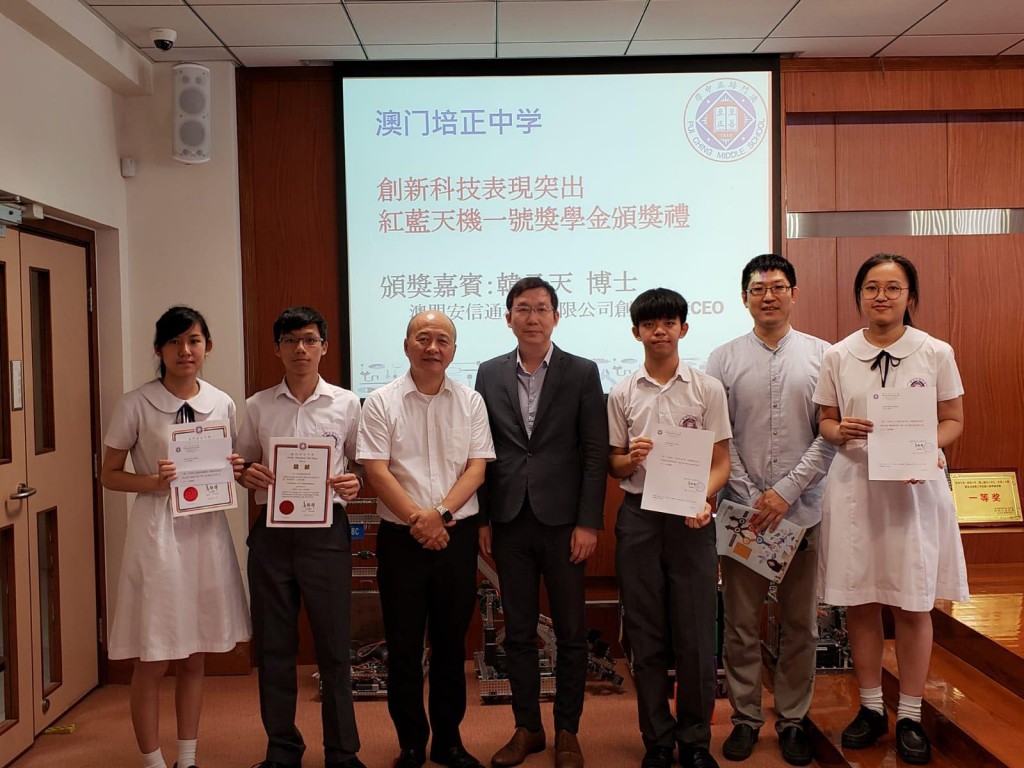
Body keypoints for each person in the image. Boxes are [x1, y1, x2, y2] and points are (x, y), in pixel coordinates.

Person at [813, 253, 968, 766]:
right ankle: (872, 707)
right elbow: (826, 422)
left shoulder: (935, 351)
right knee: (860, 600)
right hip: (856, 487)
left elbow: (953, 420)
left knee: (913, 603)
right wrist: (840, 430)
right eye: (872, 287)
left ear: (910, 296)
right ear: (859, 295)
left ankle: (911, 715)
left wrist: (925, 449)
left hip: (913, 490)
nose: (881, 296)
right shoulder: (838, 355)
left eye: (893, 287)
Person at [100, 306, 251, 768]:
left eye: (194, 341)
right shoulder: (136, 403)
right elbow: (108, 474)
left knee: (195, 653)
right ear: (159, 349)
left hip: (205, 530)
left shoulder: (222, 402)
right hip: (158, 534)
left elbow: (227, 465)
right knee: (153, 655)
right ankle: (153, 761)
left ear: (208, 346)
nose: (185, 351)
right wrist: (152, 482)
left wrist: (235, 469)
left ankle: (188, 758)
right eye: (174, 342)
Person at [705, 255, 834, 766]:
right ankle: (745, 718)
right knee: (740, 624)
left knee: (801, 624)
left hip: (803, 512)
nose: (769, 296)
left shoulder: (824, 356)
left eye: (778, 287)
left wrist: (784, 493)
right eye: (758, 289)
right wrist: (752, 494)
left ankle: (793, 719)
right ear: (744, 298)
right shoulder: (722, 359)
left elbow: (828, 436)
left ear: (794, 293)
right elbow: (720, 437)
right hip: (743, 515)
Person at [475, 277, 608, 768]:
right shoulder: (488, 373)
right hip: (509, 519)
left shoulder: (582, 371)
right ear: (508, 317)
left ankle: (567, 730)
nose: (532, 318)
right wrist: (484, 517)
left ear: (556, 316)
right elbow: (481, 450)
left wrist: (588, 522)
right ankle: (527, 728)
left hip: (564, 524)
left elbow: (594, 452)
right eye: (523, 309)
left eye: (541, 309)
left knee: (571, 632)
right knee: (517, 632)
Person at [357, 311, 495, 768]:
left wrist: (440, 515)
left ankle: (449, 742)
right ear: (406, 346)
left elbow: (477, 468)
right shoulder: (380, 401)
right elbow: (377, 471)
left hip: (456, 537)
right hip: (402, 539)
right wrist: (420, 521)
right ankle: (411, 743)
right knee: (403, 646)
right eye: (423, 338)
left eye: (442, 340)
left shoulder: (471, 401)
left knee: (451, 645)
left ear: (453, 350)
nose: (432, 347)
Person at [236, 306, 366, 768]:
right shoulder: (257, 405)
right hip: (272, 537)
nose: (301, 349)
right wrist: (247, 475)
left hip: (325, 534)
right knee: (274, 647)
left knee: (334, 647)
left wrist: (354, 481)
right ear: (277, 349)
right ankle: (282, 750)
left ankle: (342, 753)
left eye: (310, 340)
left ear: (324, 347)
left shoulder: (347, 404)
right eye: (291, 341)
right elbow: (242, 464)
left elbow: (360, 464)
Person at [607, 288, 731, 768]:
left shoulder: (707, 389)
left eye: (668, 322)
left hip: (690, 518)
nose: (659, 331)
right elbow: (615, 465)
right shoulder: (622, 391)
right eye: (649, 324)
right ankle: (657, 740)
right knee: (645, 632)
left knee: (697, 632)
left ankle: (696, 741)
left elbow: (721, 462)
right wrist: (630, 458)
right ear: (635, 332)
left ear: (684, 328)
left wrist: (704, 497)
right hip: (639, 517)